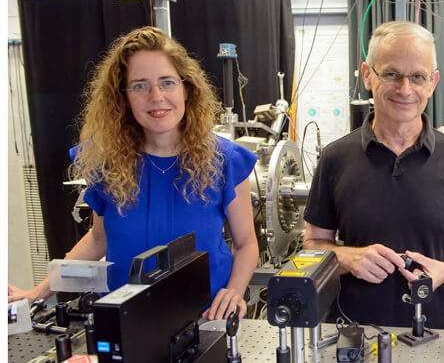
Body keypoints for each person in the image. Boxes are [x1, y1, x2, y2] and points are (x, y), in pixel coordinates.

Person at [8, 26, 259, 320]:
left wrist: (235, 290)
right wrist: (36, 294)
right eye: (140, 85)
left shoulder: (225, 160)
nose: (156, 96)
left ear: (186, 88)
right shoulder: (107, 162)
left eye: (167, 82)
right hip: (124, 321)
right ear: (123, 97)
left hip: (203, 319)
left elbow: (247, 244)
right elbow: (98, 239)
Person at [303, 21, 444, 329]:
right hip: (353, 332)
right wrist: (347, 258)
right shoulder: (335, 158)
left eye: (417, 77)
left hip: (437, 331)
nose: (405, 89)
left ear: (432, 82)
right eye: (391, 74)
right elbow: (312, 243)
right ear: (368, 75)